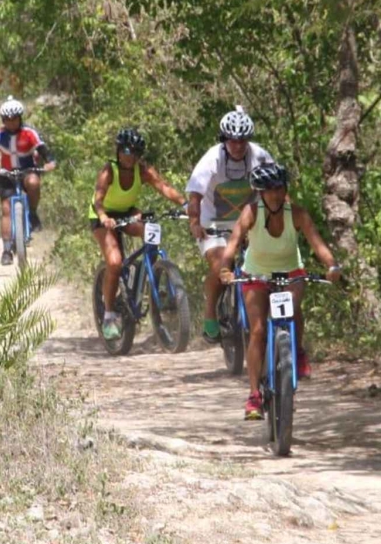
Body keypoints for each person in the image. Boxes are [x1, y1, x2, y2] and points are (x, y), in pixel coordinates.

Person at [216, 163, 341, 419]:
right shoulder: (251, 212)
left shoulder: (297, 213)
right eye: (270, 190)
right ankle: (254, 395)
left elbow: (317, 243)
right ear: (261, 193)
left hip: (291, 272)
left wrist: (332, 265)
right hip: (256, 274)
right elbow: (234, 242)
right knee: (258, 331)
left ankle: (298, 351)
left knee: (293, 311)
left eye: (280, 189)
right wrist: (225, 268)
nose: (276, 195)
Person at [91, 127, 188, 340]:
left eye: (135, 152)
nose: (130, 156)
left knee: (152, 229)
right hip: (102, 216)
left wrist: (186, 205)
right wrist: (104, 217)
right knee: (114, 263)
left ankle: (148, 275)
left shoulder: (142, 170)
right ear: (118, 151)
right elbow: (98, 199)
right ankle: (109, 314)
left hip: (127, 213)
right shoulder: (109, 171)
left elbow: (164, 187)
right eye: (126, 151)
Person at [186, 106, 274, 342]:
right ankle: (210, 315)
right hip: (214, 222)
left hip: (248, 221)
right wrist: (194, 223)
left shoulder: (260, 156)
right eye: (232, 140)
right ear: (224, 139)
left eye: (242, 140)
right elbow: (194, 196)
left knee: (268, 264)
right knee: (220, 266)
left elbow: (276, 188)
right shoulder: (212, 158)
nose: (237, 145)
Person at [0, 95, 56, 266]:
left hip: (27, 171)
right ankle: (7, 250)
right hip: (6, 174)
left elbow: (42, 148)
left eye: (14, 119)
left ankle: (33, 213)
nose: (11, 122)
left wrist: (50, 161)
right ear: (3, 120)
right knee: (7, 210)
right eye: (7, 119)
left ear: (20, 118)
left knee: (33, 182)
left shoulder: (29, 133)